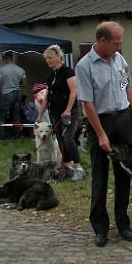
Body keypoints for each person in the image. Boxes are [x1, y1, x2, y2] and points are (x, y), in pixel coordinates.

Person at [75, 21, 132, 247]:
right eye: (116, 42)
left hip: (122, 119)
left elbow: (127, 88)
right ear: (102, 40)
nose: (119, 45)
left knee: (124, 173)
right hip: (100, 121)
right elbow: (87, 103)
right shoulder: (85, 66)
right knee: (100, 176)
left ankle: (123, 223)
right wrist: (101, 134)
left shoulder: (120, 60)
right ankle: (100, 227)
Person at [35, 45, 85, 181]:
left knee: (69, 138)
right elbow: (47, 97)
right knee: (61, 140)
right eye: (46, 59)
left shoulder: (68, 72)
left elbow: (74, 91)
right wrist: (40, 115)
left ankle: (79, 167)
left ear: (59, 57)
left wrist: (68, 109)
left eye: (50, 58)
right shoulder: (50, 76)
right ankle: (67, 167)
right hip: (54, 111)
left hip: (68, 111)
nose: (48, 61)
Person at [0, 52, 26, 139]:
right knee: (16, 114)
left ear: (6, 58)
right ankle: (17, 136)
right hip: (17, 94)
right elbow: (24, 84)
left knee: (1, 115)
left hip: (7, 94)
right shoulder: (21, 70)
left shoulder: (2, 69)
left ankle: (1, 137)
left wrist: (3, 83)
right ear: (12, 58)